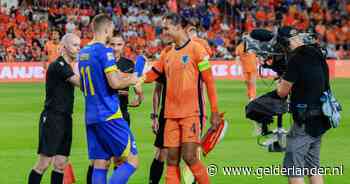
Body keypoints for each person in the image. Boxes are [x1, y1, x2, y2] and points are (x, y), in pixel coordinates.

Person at [139, 13, 220, 184]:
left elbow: (209, 82)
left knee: (189, 157)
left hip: (191, 113)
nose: (164, 31)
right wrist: (136, 80)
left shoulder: (197, 49)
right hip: (170, 115)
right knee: (172, 160)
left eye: (167, 28)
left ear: (178, 27)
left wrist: (214, 111)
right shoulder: (166, 53)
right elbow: (153, 74)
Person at [78, 13, 139, 184]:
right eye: (111, 29)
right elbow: (114, 83)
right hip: (109, 114)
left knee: (100, 163)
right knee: (132, 160)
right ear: (106, 29)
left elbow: (84, 84)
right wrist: (132, 79)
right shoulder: (105, 51)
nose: (112, 31)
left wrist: (123, 77)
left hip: (91, 117)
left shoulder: (83, 53)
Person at [276, 27, 331, 184]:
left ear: (286, 43)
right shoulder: (317, 53)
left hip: (305, 121)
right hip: (321, 117)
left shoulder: (296, 58)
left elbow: (282, 92)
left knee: (294, 167)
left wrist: (281, 80)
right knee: (313, 166)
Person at [27, 33, 81, 184]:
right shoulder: (58, 65)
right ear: (64, 47)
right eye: (75, 45)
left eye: (79, 45)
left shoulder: (68, 66)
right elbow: (81, 83)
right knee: (44, 163)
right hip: (53, 118)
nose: (78, 49)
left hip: (65, 118)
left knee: (61, 164)